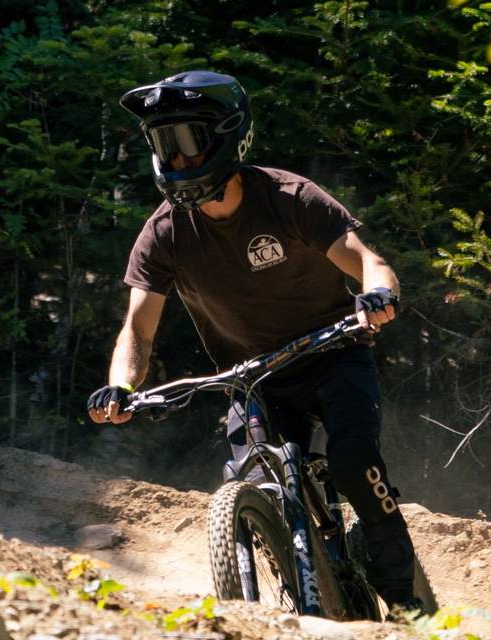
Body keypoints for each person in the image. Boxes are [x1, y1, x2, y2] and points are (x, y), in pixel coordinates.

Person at [84, 70, 425, 615]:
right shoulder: (164, 232)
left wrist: (377, 296)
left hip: (333, 353)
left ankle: (413, 610)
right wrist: (119, 386)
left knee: (353, 458)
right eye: (162, 144)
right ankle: (298, 587)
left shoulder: (288, 197)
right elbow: (138, 330)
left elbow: (368, 262)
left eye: (187, 142)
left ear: (228, 136)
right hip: (253, 379)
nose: (174, 158)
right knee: (253, 479)